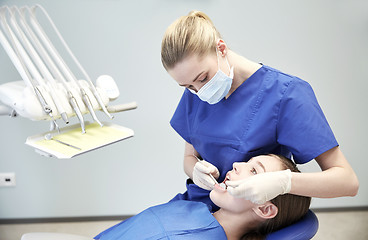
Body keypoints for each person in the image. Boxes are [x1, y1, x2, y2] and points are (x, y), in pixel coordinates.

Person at [161, 10, 359, 210]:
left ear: (221, 48)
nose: (199, 91)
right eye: (188, 86)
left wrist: (283, 182)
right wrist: (195, 170)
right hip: (197, 203)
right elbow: (189, 157)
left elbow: (347, 181)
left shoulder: (286, 94)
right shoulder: (197, 92)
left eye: (203, 78)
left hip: (244, 214)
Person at [94, 155, 311, 240]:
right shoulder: (195, 207)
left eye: (254, 171)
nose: (237, 164)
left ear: (264, 209)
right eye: (248, 162)